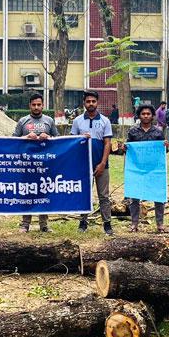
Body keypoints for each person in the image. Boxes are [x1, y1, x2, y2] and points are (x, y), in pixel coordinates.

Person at [71, 90, 114, 236]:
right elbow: (72, 143)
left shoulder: (105, 121)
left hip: (101, 164)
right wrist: (81, 138)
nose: (91, 104)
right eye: (88, 101)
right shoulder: (77, 121)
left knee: (104, 196)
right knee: (84, 194)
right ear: (84, 103)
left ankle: (107, 224)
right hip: (83, 165)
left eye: (93, 101)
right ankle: (83, 222)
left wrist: (102, 163)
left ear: (97, 103)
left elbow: (107, 143)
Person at [14, 93, 59, 233]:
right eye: (33, 104)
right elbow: (13, 141)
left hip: (45, 164)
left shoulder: (49, 121)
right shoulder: (23, 121)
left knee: (43, 193)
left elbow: (58, 141)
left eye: (39, 104)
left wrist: (49, 137)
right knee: (27, 192)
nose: (36, 107)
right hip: (27, 164)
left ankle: (44, 225)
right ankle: (25, 224)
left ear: (43, 105)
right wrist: (26, 137)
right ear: (30, 105)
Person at [125, 104, 169, 233]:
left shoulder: (158, 132)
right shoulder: (133, 131)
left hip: (154, 169)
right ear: (139, 115)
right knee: (134, 196)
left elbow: (163, 151)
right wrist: (125, 148)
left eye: (148, 114)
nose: (146, 116)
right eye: (143, 114)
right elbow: (128, 149)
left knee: (158, 196)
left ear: (152, 116)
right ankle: (134, 224)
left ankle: (160, 224)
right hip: (137, 169)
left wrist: (165, 146)